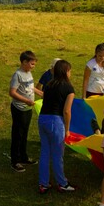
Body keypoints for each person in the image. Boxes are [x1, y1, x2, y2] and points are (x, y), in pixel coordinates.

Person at [38, 59, 76, 193]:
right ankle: (62, 183)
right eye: (70, 71)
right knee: (57, 154)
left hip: (42, 119)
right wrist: (67, 129)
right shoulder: (68, 88)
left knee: (44, 152)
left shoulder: (48, 85)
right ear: (66, 71)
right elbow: (67, 111)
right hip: (56, 121)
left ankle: (43, 183)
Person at [9, 50, 43, 173]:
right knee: (17, 134)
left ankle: (23, 157)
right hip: (19, 109)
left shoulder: (28, 73)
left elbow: (29, 87)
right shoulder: (17, 75)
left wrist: (39, 93)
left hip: (28, 109)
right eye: (32, 64)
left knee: (24, 133)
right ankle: (15, 161)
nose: (33, 66)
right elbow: (12, 92)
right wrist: (26, 101)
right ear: (24, 62)